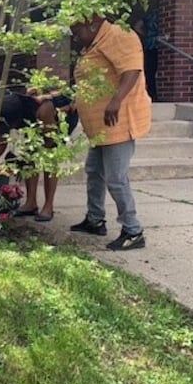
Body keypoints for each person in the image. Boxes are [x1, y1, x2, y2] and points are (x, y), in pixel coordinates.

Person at [69, 14, 151, 251]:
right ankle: (95, 220)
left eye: (77, 31)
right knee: (94, 171)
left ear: (92, 24)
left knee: (116, 178)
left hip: (118, 121)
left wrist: (115, 101)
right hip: (100, 127)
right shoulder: (95, 43)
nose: (75, 37)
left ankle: (133, 231)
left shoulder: (118, 34)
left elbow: (132, 69)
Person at [0, 91, 78, 222]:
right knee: (29, 154)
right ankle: (31, 203)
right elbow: (1, 142)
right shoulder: (8, 110)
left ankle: (48, 206)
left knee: (49, 158)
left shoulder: (44, 109)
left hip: (60, 118)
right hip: (36, 120)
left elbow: (49, 143)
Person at [132, 7, 159, 101]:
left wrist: (146, 36)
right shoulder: (160, 15)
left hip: (149, 45)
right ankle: (153, 95)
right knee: (152, 72)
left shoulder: (149, 15)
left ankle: (151, 94)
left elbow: (137, 26)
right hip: (157, 46)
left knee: (149, 72)